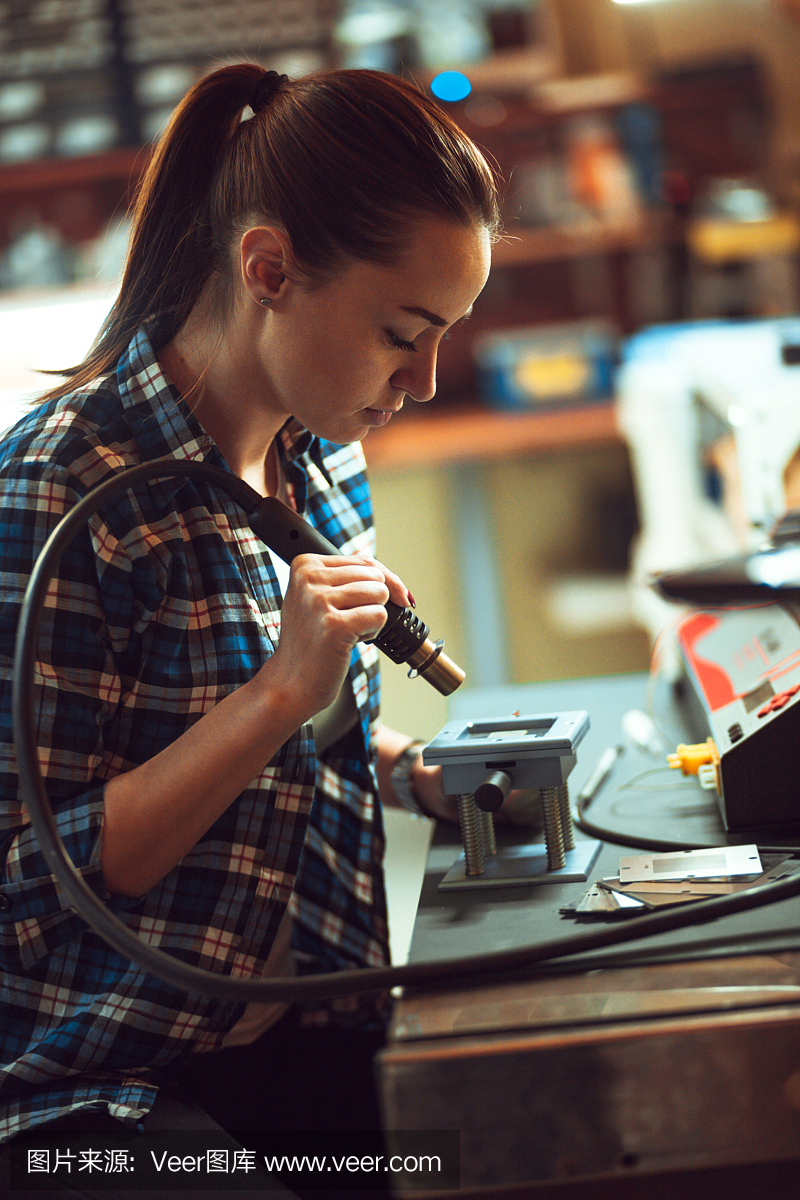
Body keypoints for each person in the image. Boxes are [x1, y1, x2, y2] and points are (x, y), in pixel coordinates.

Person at [0, 62, 501, 1190]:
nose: (422, 380)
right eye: (400, 332)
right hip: (112, 1090)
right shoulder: (61, 490)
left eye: (444, 337)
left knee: (487, 1155)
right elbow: (33, 879)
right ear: (267, 268)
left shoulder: (321, 460)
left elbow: (292, 758)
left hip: (304, 1025)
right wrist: (277, 691)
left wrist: (417, 774)